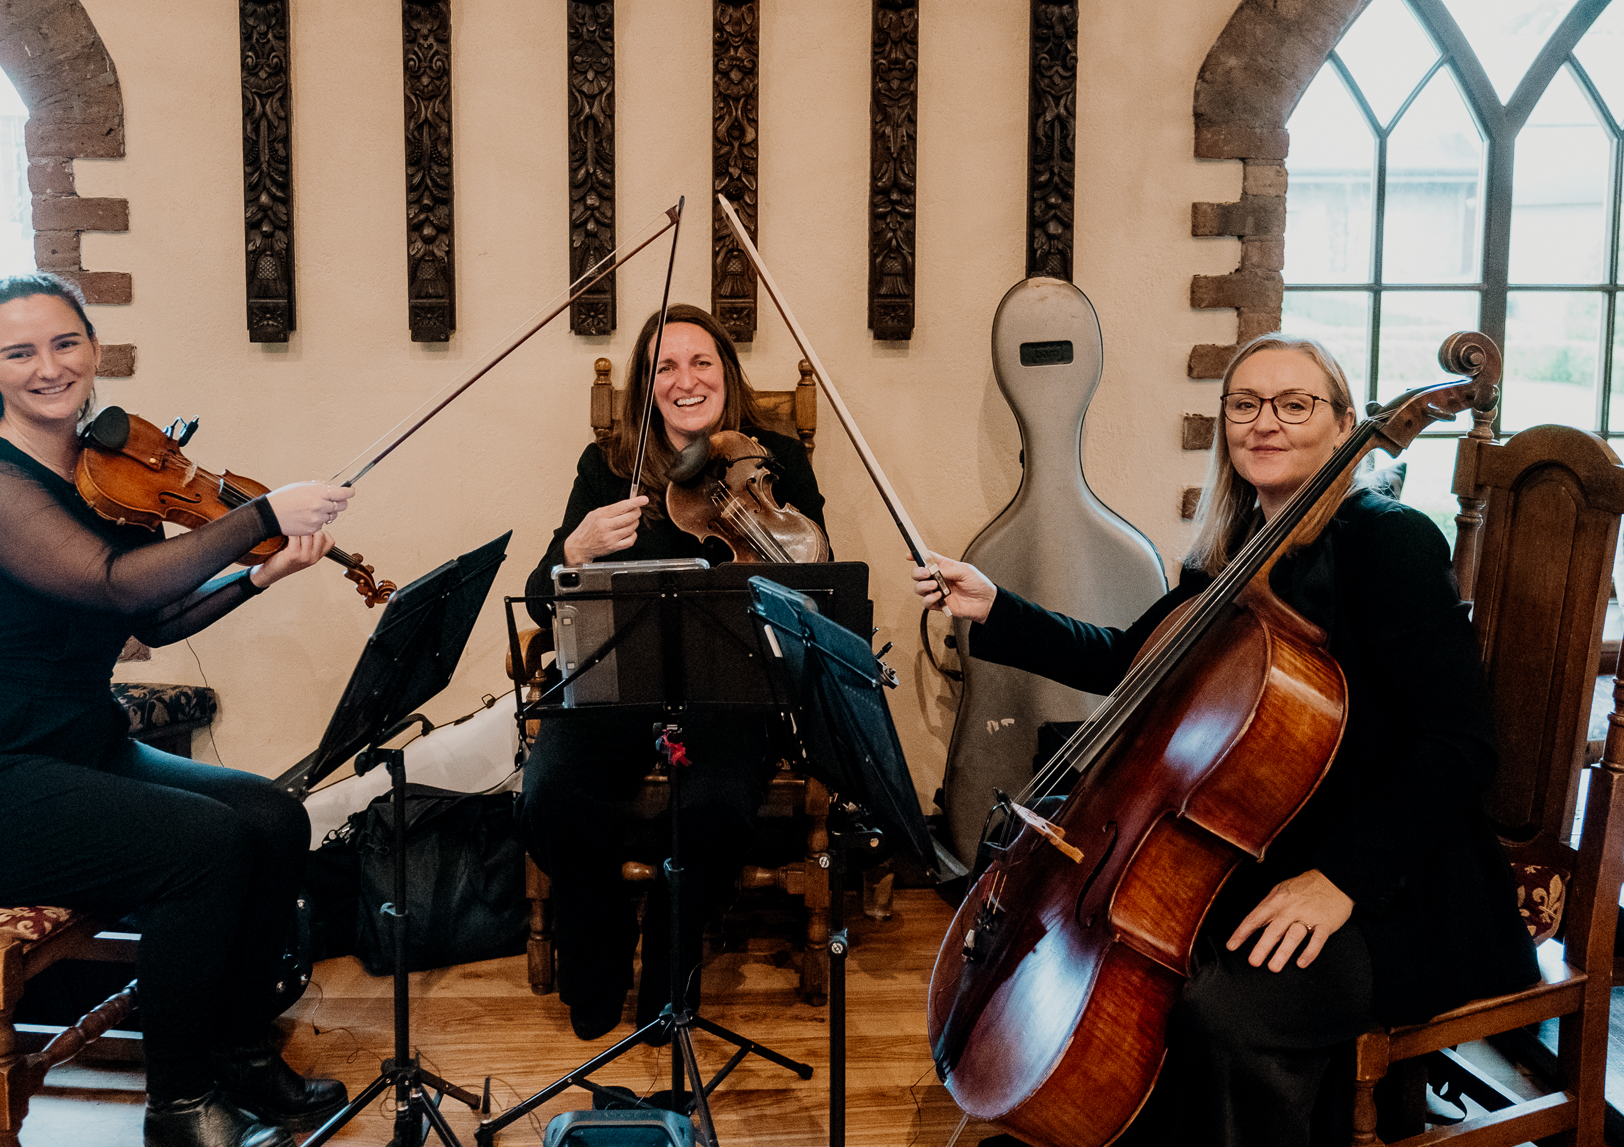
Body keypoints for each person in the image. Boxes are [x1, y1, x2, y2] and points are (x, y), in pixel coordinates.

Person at [915, 332, 1540, 1147]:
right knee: (1153, 977)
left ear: (1344, 421)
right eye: (1244, 405)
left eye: (1294, 404)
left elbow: (1458, 746)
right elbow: (1129, 661)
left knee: (1221, 1007)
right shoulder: (1230, 559)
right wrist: (996, 606)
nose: (1264, 423)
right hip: (1262, 855)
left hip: (1397, 886)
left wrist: (1341, 880)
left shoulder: (1387, 542)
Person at [0, 274, 356, 1147]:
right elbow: (107, 581)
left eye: (65, 344)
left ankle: (243, 1052)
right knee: (199, 848)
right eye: (19, 352)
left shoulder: (106, 475)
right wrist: (260, 516)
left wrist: (260, 572)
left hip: (69, 747)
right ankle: (179, 1104)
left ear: (93, 349)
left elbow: (149, 616)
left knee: (272, 817)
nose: (49, 368)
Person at [520, 303, 826, 1041]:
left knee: (715, 810)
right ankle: (599, 950)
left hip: (729, 687)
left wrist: (769, 548)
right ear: (644, 387)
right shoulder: (609, 468)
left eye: (702, 363)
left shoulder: (775, 457)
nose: (685, 380)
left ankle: (669, 961)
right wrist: (576, 548)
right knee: (552, 797)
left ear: (727, 375)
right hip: (618, 687)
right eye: (665, 367)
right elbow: (540, 596)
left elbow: (822, 583)